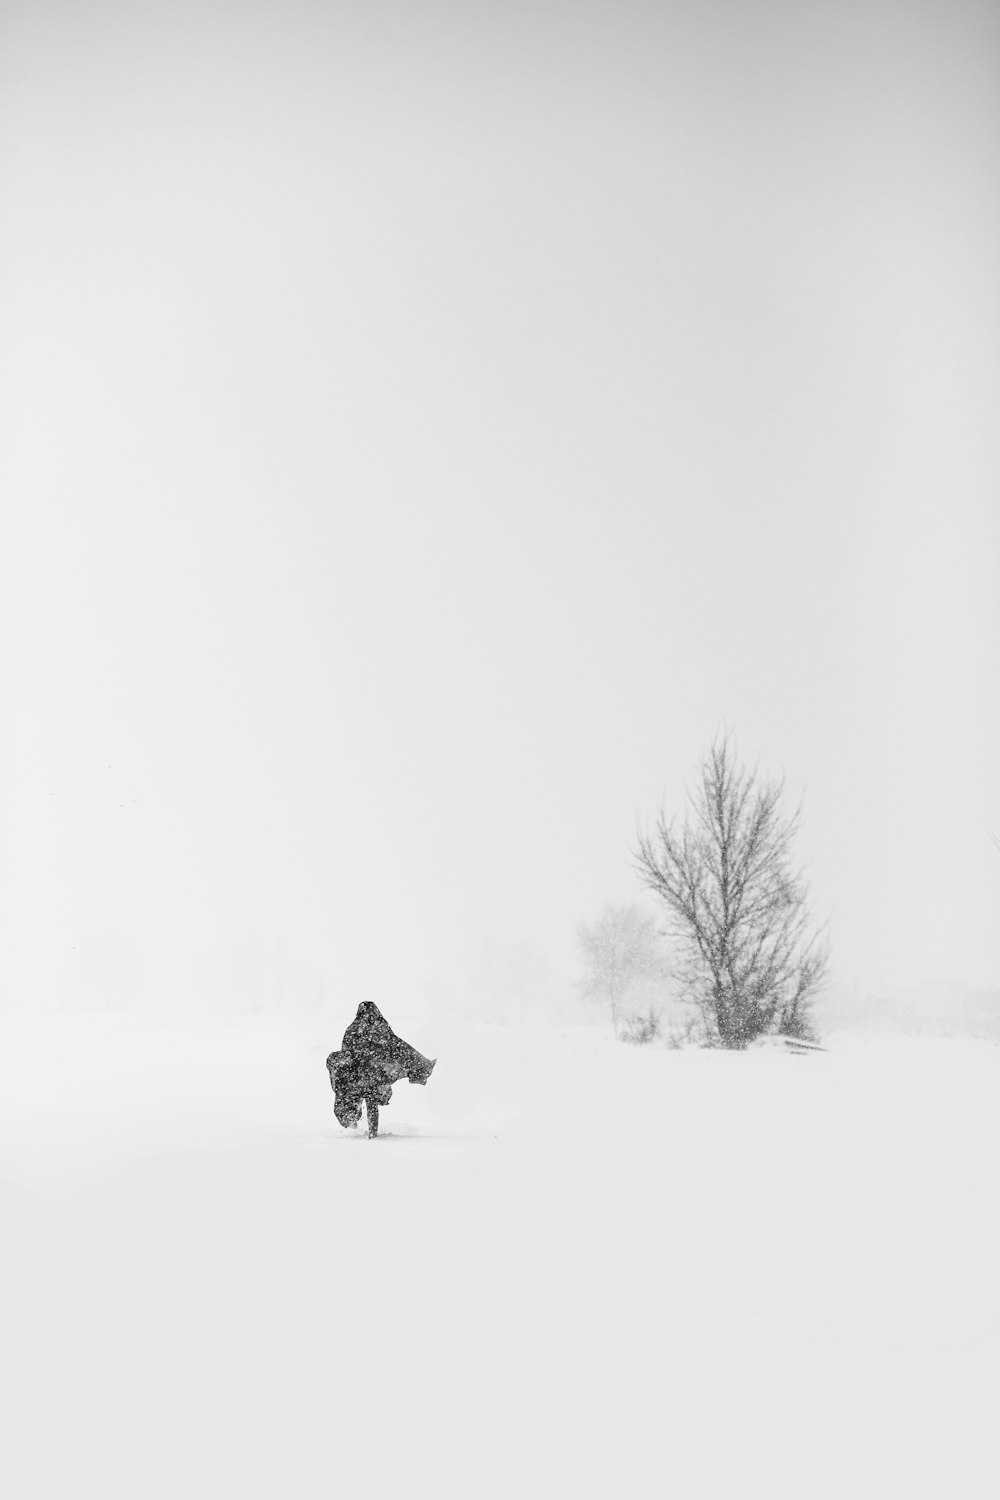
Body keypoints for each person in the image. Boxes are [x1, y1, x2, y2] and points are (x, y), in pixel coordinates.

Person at [326, 1001, 435, 1137]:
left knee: (365, 1100)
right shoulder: (380, 1026)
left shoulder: (352, 1029)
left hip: (359, 1076)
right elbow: (396, 1044)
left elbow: (347, 1050)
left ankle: (365, 1129)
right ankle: (372, 1133)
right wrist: (417, 1061)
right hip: (375, 1074)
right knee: (372, 1103)